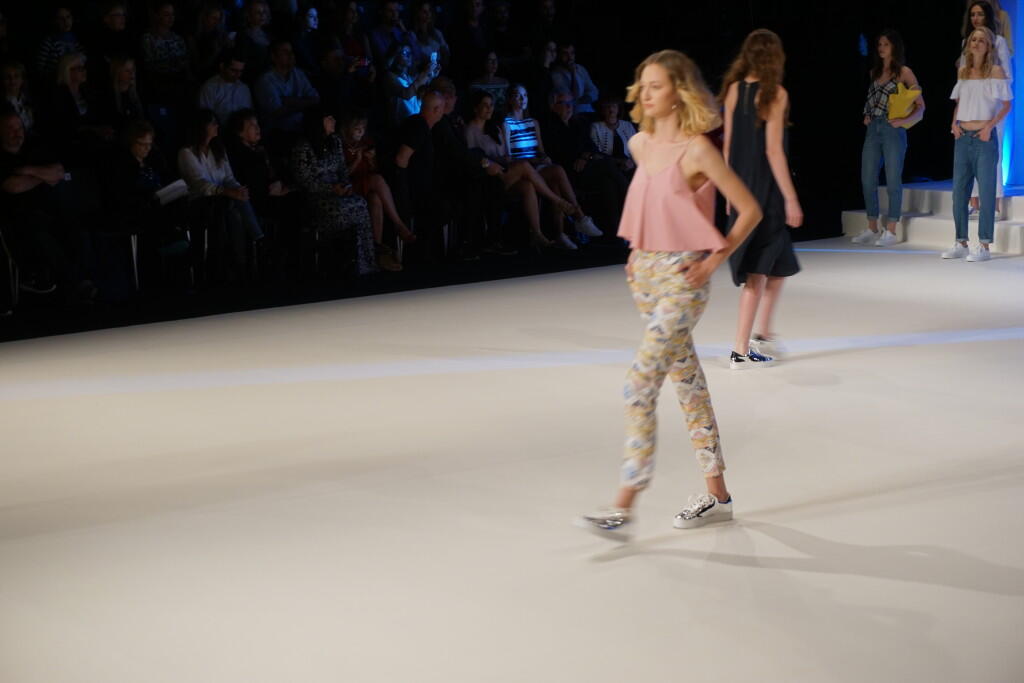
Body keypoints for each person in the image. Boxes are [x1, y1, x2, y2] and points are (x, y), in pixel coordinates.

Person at [577, 49, 762, 538]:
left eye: (655, 85)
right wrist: (638, 255)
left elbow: (748, 209)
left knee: (639, 384)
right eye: (643, 85)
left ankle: (625, 502)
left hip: (683, 280)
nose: (645, 93)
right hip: (645, 278)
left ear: (679, 92)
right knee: (688, 385)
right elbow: (651, 207)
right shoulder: (639, 144)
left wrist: (713, 261)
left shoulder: (697, 150)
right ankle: (718, 494)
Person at [719, 29, 803, 369]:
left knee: (781, 266)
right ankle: (740, 350)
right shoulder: (775, 94)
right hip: (765, 194)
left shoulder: (733, 90)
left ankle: (763, 334)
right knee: (757, 273)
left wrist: (728, 192)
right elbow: (773, 151)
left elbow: (726, 146)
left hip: (741, 191)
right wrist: (791, 199)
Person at [465, 88, 579, 249]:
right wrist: (495, 161)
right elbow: (473, 158)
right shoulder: (470, 129)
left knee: (528, 185)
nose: (489, 108)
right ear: (475, 108)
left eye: (491, 105)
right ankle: (558, 201)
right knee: (524, 165)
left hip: (505, 172)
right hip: (489, 177)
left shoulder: (494, 128)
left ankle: (537, 234)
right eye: (485, 105)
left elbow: (505, 155)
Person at [290, 106, 388, 273]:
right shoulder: (303, 147)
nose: (333, 121)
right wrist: (330, 188)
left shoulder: (334, 141)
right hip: (317, 197)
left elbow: (342, 170)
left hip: (339, 193)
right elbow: (304, 180)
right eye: (329, 118)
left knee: (360, 204)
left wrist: (346, 187)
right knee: (345, 209)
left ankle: (366, 263)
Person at [504, 83, 602, 247]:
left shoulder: (533, 122)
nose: (522, 99)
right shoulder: (506, 122)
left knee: (556, 171)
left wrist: (544, 158)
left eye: (525, 96)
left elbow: (541, 150)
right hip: (521, 169)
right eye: (518, 96)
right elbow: (508, 156)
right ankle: (576, 216)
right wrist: (534, 160)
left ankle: (567, 227)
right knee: (553, 178)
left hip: (536, 167)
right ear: (509, 99)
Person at [851, 30, 924, 247]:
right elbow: (873, 100)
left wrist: (903, 121)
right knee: (867, 178)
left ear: (895, 47)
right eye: (879, 44)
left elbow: (921, 107)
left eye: (886, 44)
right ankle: (872, 227)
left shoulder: (904, 72)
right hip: (873, 128)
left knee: (893, 180)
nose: (881, 48)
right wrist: (867, 115)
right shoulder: (874, 72)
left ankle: (891, 229)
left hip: (893, 129)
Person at [945, 27, 1012, 262]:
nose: (976, 43)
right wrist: (954, 124)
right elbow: (959, 103)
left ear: (989, 46)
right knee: (959, 192)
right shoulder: (963, 71)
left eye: (981, 40)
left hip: (984, 138)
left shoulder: (996, 71)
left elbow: (1006, 105)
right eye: (973, 39)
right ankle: (961, 242)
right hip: (962, 136)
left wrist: (989, 127)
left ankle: (984, 245)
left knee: (986, 192)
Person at [177, 108, 264, 281]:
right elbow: (199, 184)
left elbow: (228, 177)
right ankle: (257, 241)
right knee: (231, 205)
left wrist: (238, 190)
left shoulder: (218, 150)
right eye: (213, 123)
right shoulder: (186, 153)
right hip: (200, 202)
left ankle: (240, 264)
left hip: (223, 197)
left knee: (235, 208)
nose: (217, 126)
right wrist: (227, 191)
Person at [959, 2, 1013, 215]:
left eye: (980, 14)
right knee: (971, 155)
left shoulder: (998, 41)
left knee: (993, 155)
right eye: (972, 14)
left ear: (988, 16)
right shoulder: (967, 42)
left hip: (993, 105)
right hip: (970, 107)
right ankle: (974, 203)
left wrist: (986, 89)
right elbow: (963, 78)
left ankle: (995, 205)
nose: (976, 18)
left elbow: (1007, 76)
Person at [338, 109, 414, 255]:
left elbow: (374, 169)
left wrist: (371, 160)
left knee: (376, 198)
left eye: (363, 128)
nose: (361, 132)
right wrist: (357, 160)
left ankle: (376, 247)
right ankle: (398, 224)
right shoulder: (339, 145)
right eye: (357, 128)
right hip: (349, 186)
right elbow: (341, 175)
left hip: (366, 185)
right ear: (348, 128)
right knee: (377, 179)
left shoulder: (366, 142)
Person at [255, 40, 320, 140]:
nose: (291, 55)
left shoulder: (298, 74)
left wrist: (289, 101)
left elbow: (315, 98)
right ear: (273, 57)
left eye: (291, 51)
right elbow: (277, 112)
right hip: (277, 134)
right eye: (285, 52)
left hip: (301, 128)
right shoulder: (265, 80)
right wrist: (304, 103)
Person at [382, 42, 433, 128]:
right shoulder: (389, 76)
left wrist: (430, 76)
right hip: (402, 126)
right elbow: (406, 94)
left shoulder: (409, 77)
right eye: (405, 53)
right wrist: (425, 73)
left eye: (410, 53)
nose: (409, 56)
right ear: (395, 55)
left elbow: (417, 97)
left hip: (416, 122)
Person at [198, 52, 254, 128]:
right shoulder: (210, 88)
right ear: (222, 66)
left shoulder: (244, 89)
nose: (238, 75)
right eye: (233, 70)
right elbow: (205, 119)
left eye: (240, 71)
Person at [34, 6, 85, 81]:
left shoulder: (76, 41)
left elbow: (83, 62)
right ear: (55, 21)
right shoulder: (49, 41)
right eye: (61, 19)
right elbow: (39, 68)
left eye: (68, 17)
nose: (66, 21)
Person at [589, 95, 637, 175]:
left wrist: (631, 162)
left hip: (628, 163)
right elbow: (596, 152)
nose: (611, 110)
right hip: (607, 164)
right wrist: (620, 161)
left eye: (614, 106)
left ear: (618, 109)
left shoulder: (627, 125)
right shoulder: (596, 127)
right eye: (607, 107)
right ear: (602, 110)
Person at [549, 40, 598, 116]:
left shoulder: (580, 69)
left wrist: (588, 97)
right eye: (565, 54)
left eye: (572, 53)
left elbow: (594, 91)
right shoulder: (555, 74)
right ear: (559, 55)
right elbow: (573, 96)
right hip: (573, 114)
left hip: (589, 111)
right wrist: (573, 73)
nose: (570, 57)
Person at [469, 51, 511, 121]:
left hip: (502, 120)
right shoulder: (475, 85)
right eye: (490, 60)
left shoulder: (504, 83)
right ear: (484, 62)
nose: (494, 63)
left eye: (495, 60)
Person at [3, 62, 36, 138]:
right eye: (8, 77)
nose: (12, 80)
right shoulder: (3, 103)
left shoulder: (28, 98)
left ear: (22, 79)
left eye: (16, 76)